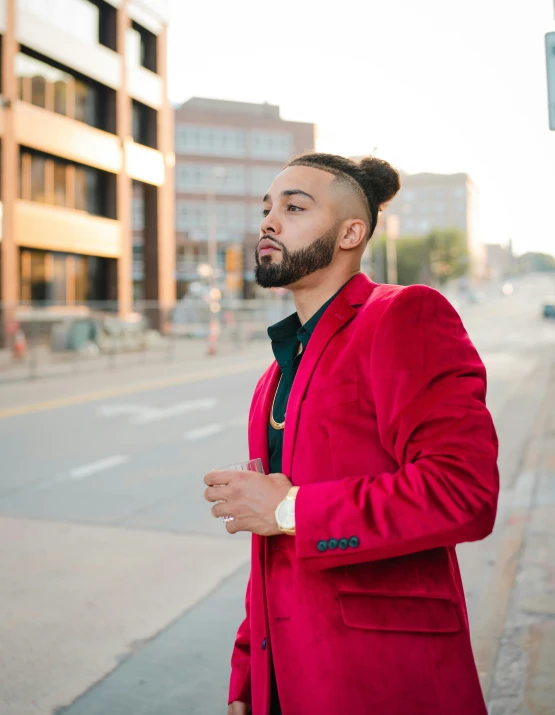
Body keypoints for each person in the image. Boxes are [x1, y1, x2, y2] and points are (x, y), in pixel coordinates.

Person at [203, 153, 499, 715]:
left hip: (383, 680)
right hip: (282, 682)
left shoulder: (405, 316)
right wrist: (247, 675)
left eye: (294, 207)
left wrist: (291, 508)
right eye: (267, 208)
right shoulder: (274, 375)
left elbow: (465, 492)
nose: (268, 222)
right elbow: (272, 549)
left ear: (351, 232)